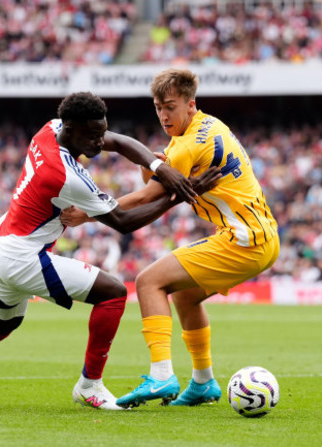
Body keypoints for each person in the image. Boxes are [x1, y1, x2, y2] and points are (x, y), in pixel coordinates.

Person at [0, 92, 220, 409]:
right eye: (92, 136)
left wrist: (157, 165)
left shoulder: (51, 128)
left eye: (101, 132)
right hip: (22, 256)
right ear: (72, 129)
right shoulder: (66, 176)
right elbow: (124, 222)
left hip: (2, 245)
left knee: (0, 325)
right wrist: (184, 194)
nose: (100, 143)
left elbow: (119, 141)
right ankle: (90, 385)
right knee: (113, 293)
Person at [109, 68, 279, 408]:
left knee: (147, 282)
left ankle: (160, 375)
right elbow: (160, 175)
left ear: (190, 104)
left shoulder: (187, 146)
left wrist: (85, 211)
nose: (163, 115)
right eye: (158, 107)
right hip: (261, 236)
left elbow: (147, 197)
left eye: (170, 106)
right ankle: (203, 383)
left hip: (242, 240)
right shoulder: (210, 125)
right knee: (185, 297)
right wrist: (153, 166)